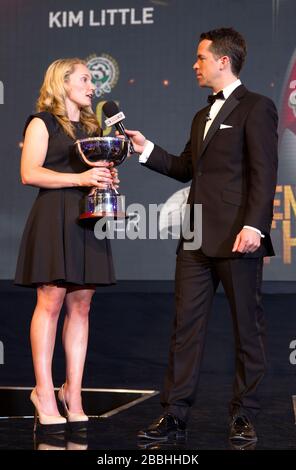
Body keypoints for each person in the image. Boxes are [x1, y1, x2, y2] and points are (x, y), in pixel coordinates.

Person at [124, 28, 278, 442]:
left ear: (223, 61)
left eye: (201, 58)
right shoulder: (200, 115)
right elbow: (185, 169)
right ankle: (174, 415)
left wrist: (255, 226)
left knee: (247, 328)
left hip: (238, 236)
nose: (195, 65)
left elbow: (264, 173)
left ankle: (244, 414)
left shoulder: (257, 107)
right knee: (185, 328)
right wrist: (145, 148)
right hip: (195, 239)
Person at [15, 58, 118, 433]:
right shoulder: (41, 122)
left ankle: (72, 393)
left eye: (92, 81)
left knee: (82, 304)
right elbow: (30, 173)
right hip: (53, 216)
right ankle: (43, 392)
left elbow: (92, 174)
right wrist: (81, 178)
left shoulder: (92, 127)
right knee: (51, 300)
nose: (93, 87)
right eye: (86, 79)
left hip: (86, 218)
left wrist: (102, 180)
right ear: (63, 83)